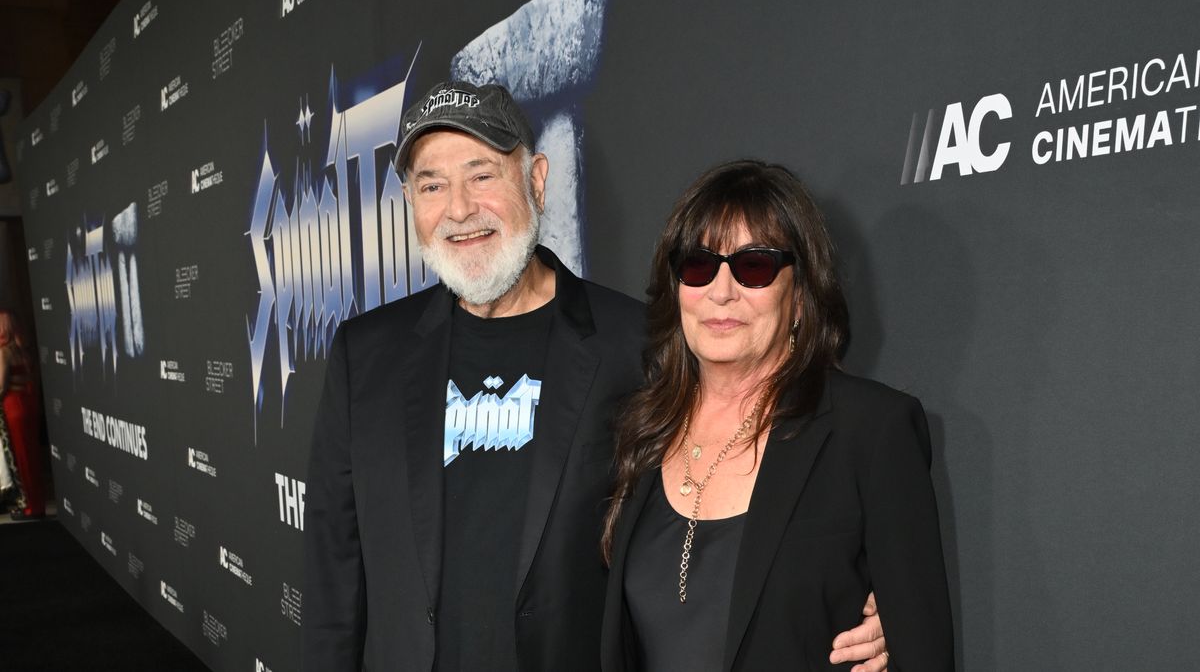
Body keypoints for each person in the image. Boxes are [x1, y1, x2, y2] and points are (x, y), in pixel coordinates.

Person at [303, 81, 890, 671]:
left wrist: (862, 599)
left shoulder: (638, 344)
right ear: (410, 201)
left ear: (535, 180)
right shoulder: (365, 355)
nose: (458, 209)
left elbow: (738, 489)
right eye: (432, 185)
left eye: (481, 175)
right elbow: (334, 573)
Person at [599, 160, 953, 671]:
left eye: (754, 266)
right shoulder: (642, 429)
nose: (721, 290)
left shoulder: (871, 430)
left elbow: (923, 651)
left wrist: (895, 636)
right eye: (698, 265)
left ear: (801, 295)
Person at [0, 310, 44, 520]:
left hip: (13, 407)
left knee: (21, 458)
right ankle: (37, 504)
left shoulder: (4, 352)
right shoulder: (23, 351)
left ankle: (30, 507)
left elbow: (1, 386)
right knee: (32, 456)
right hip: (28, 404)